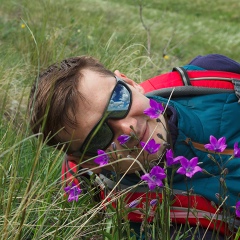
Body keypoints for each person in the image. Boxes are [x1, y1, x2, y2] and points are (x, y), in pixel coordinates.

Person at [29, 54, 240, 239]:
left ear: (130, 83)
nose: (128, 128)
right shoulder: (161, 229)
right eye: (98, 136)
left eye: (117, 100)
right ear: (89, 163)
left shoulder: (213, 73)